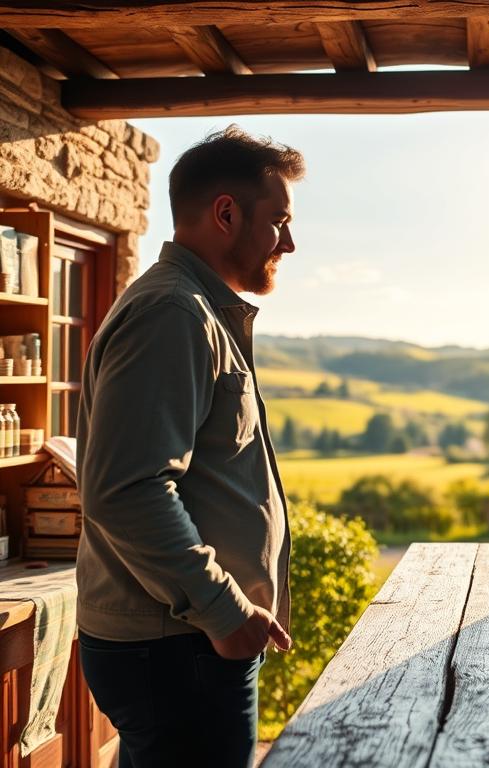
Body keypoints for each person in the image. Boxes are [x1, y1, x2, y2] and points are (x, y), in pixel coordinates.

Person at [76, 126, 305, 768]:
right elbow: (127, 491)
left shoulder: (195, 310)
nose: (289, 242)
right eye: (280, 221)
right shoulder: (174, 314)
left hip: (185, 643)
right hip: (182, 645)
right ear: (227, 214)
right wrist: (227, 613)